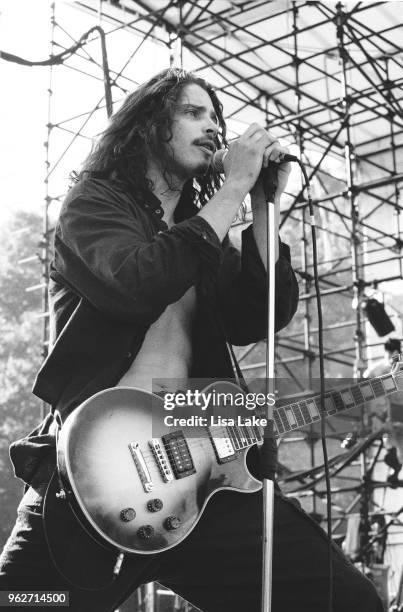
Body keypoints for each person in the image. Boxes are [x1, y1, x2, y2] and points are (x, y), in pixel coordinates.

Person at [0, 68, 382, 611]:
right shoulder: (95, 205)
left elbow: (259, 316)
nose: (213, 128)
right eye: (193, 113)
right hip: (98, 477)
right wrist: (230, 191)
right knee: (24, 602)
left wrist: (262, 212)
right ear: (150, 126)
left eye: (215, 117)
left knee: (344, 602)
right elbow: (138, 284)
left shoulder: (205, 234)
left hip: (203, 476)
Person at [364, 337, 403, 478]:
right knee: (390, 442)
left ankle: (395, 471)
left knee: (395, 443)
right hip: (390, 412)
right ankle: (395, 469)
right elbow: (366, 376)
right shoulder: (381, 368)